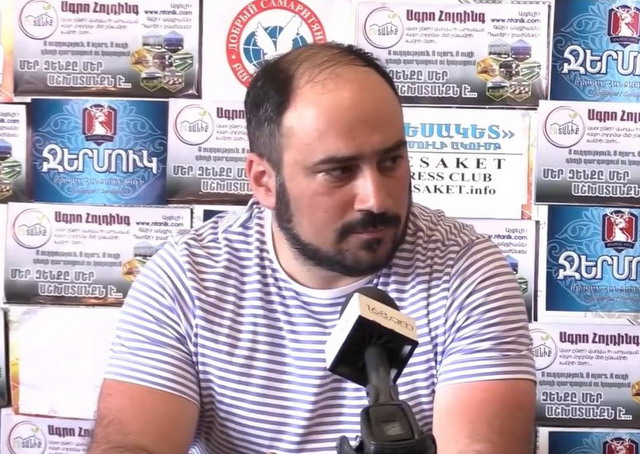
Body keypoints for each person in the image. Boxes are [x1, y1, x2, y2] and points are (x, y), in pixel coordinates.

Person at [88, 42, 536, 454]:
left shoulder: (468, 271)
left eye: (391, 161)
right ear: (265, 181)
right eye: (339, 172)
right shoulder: (187, 278)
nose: (376, 199)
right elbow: (132, 444)